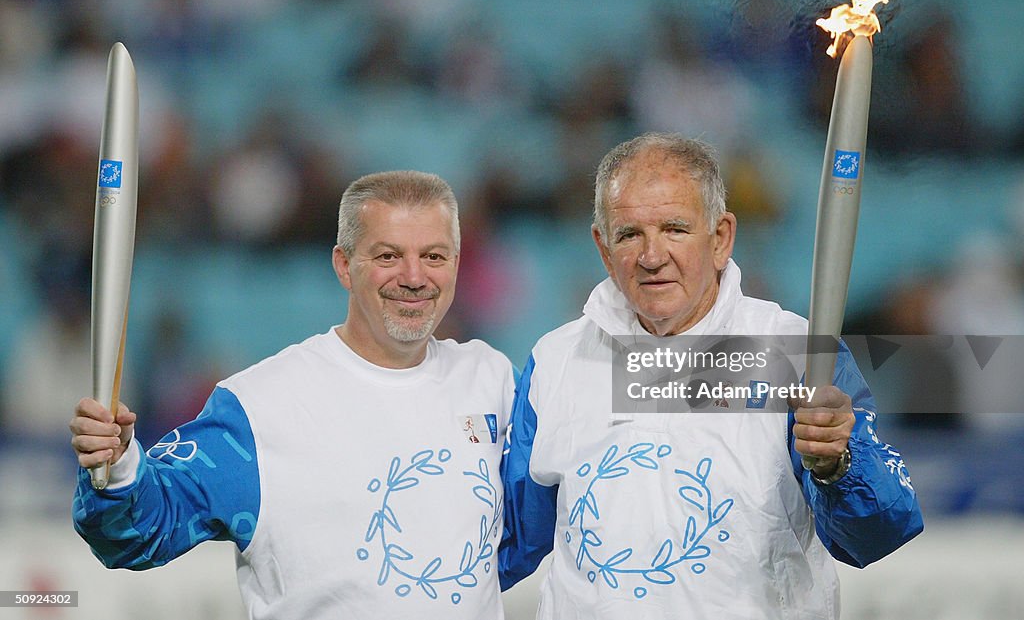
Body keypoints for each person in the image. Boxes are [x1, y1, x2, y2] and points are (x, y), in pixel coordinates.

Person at [499, 134, 923, 618]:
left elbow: (878, 533)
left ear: (721, 238)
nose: (652, 256)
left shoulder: (795, 352)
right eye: (629, 234)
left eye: (675, 229)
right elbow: (502, 545)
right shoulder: (556, 361)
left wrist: (837, 466)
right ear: (602, 245)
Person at [71, 171, 515, 620]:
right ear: (344, 264)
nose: (414, 276)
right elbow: (139, 534)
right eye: (389, 255)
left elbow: (532, 529)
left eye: (433, 256)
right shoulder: (258, 408)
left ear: (456, 263)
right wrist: (119, 463)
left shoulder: (495, 382)